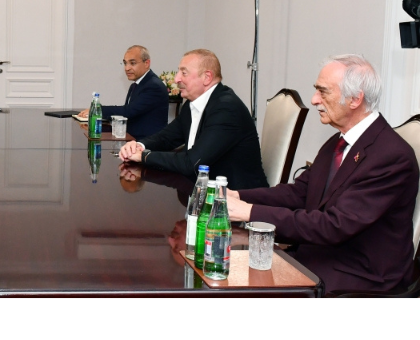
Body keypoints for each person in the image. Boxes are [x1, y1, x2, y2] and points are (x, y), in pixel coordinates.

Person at [228, 54, 419, 293]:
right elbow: (299, 193)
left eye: (323, 91)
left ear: (355, 99)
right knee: (229, 270)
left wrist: (249, 212)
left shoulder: (391, 156)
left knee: (242, 287)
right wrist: (238, 196)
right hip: (320, 255)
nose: (314, 99)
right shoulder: (337, 142)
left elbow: (335, 226)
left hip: (359, 275)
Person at [119, 49, 268, 190]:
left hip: (236, 198)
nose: (177, 79)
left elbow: (191, 162)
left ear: (207, 77)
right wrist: (139, 145)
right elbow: (167, 137)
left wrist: (144, 156)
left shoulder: (226, 109)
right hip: (200, 189)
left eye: (184, 73)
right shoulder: (193, 103)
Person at [77, 45, 168, 138]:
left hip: (147, 142)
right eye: (125, 63)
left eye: (132, 63)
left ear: (146, 63)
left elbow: (128, 111)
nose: (127, 68)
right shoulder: (136, 85)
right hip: (132, 138)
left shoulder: (154, 86)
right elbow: (128, 114)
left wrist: (98, 110)